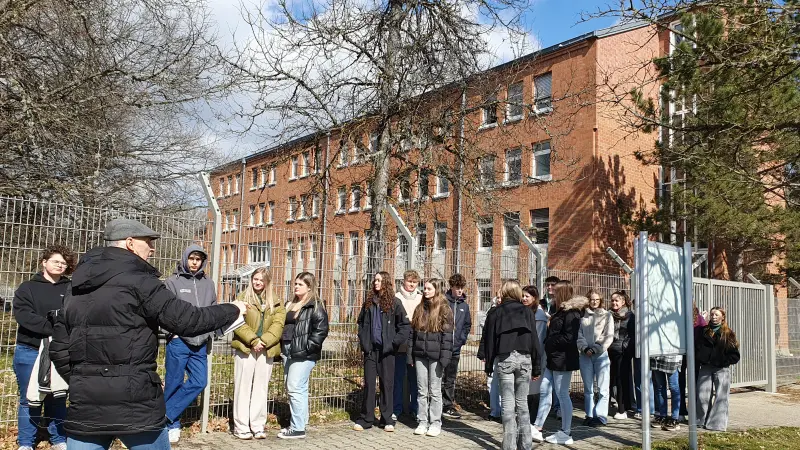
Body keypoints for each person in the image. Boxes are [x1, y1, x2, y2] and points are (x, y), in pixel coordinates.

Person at [48, 218, 247, 450]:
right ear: (130, 243)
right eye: (148, 242)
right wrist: (233, 309)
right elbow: (188, 320)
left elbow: (59, 348)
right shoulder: (142, 282)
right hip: (136, 404)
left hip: (86, 405)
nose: (152, 248)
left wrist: (82, 380)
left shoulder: (75, 286)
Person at [13, 245, 75, 450]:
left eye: (64, 263)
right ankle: (25, 442)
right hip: (30, 349)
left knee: (57, 396)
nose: (60, 265)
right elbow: (24, 316)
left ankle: (58, 439)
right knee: (30, 398)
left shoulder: (71, 289)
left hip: (60, 350)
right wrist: (53, 327)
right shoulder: (27, 288)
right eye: (56, 261)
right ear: (44, 262)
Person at [162, 244, 219, 443]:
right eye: (192, 258)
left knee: (199, 380)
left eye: (198, 259)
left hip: (200, 341)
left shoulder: (208, 283)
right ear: (185, 258)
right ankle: (172, 425)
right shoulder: (172, 282)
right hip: (178, 341)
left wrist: (210, 331)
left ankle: (164, 415)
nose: (195, 262)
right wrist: (172, 333)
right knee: (174, 383)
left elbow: (213, 309)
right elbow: (164, 310)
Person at [482, 280, 543, 450]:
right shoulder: (527, 311)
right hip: (525, 359)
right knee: (522, 404)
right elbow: (534, 341)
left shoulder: (495, 312)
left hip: (505, 359)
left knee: (508, 405)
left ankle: (509, 446)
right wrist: (537, 366)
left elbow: (489, 340)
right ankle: (526, 445)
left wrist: (488, 365)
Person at [231, 268, 286, 440]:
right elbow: (237, 322)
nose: (257, 282)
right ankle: (241, 427)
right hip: (246, 348)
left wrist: (265, 341)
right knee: (243, 387)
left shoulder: (276, 302)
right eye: (255, 279)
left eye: (261, 280)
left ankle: (257, 425)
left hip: (266, 349)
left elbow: (278, 324)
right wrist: (254, 340)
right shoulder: (242, 298)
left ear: (267, 282)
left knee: (261, 388)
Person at [354, 271, 410, 432]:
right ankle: (366, 418)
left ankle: (387, 419)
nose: (375, 282)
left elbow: (404, 326)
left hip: (387, 352)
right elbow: (361, 323)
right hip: (371, 351)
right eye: (374, 280)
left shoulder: (395, 303)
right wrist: (364, 342)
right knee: (369, 385)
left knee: (387, 385)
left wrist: (393, 344)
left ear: (385, 282)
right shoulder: (369, 302)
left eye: (378, 280)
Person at [533, 281, 587, 445]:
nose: (552, 293)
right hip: (554, 358)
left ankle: (566, 432)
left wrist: (550, 341)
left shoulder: (572, 313)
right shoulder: (561, 311)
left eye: (555, 291)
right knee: (544, 390)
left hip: (563, 360)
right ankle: (537, 427)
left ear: (562, 293)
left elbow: (569, 338)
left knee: (562, 394)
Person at [279, 272, 329, 440]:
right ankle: (302, 421)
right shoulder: (290, 304)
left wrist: (308, 348)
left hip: (303, 353)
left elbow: (321, 330)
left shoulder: (315, 305)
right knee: (296, 387)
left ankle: (297, 428)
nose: (296, 287)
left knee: (294, 387)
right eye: (295, 283)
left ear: (309, 287)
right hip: (287, 350)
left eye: (300, 284)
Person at [408, 278, 453, 437]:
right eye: (424, 288)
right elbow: (412, 335)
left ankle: (435, 422)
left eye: (428, 288)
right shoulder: (419, 309)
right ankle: (422, 421)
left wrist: (445, 358)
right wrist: (410, 355)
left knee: (435, 391)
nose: (425, 291)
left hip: (436, 357)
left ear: (436, 290)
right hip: (420, 355)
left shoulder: (445, 310)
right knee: (422, 390)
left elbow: (447, 337)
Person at [695, 306, 740, 431]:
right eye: (712, 314)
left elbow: (735, 355)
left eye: (717, 315)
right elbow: (698, 346)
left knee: (721, 396)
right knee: (702, 394)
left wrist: (724, 361)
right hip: (705, 367)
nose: (714, 317)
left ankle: (717, 424)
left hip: (721, 368)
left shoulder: (727, 333)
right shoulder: (704, 331)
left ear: (722, 317)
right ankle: (700, 420)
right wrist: (701, 358)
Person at [577, 289, 613, 427]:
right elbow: (579, 334)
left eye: (597, 299)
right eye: (592, 299)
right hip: (585, 355)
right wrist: (584, 348)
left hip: (601, 355)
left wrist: (596, 348)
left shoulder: (607, 315)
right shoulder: (583, 316)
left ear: (601, 301)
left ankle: (601, 416)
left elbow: (607, 335)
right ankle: (589, 414)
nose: (594, 302)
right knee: (588, 388)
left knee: (603, 388)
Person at [393, 269, 422, 420]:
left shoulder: (421, 298)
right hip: (401, 343)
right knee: (397, 377)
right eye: (409, 281)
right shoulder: (396, 297)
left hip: (416, 344)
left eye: (414, 282)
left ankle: (415, 409)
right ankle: (396, 409)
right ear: (403, 281)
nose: (411, 284)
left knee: (415, 379)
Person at [441, 273, 471, 420]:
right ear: (451, 287)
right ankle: (434, 404)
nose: (460, 291)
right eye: (457, 288)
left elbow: (467, 325)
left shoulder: (464, 306)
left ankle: (447, 405)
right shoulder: (443, 302)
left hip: (455, 348)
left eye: (461, 288)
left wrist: (461, 340)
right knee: (438, 376)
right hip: (442, 347)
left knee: (450, 378)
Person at [608, 290, 636, 420]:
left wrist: (625, 347)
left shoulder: (630, 316)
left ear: (623, 302)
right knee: (610, 379)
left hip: (622, 352)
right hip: (609, 349)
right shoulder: (608, 315)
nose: (614, 303)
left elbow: (631, 334)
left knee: (621, 379)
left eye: (616, 300)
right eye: (612, 300)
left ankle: (622, 408)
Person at [678, 303, 707, 422]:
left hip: (694, 355)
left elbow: (704, 334)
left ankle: (693, 410)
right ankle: (681, 410)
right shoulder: (677, 316)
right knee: (679, 382)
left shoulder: (699, 319)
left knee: (694, 382)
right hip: (680, 354)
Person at [522, 285, 547, 417]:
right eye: (523, 296)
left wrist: (535, 359)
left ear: (534, 298)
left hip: (535, 357)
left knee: (534, 389)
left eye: (527, 296)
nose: (524, 298)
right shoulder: (524, 311)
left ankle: (533, 417)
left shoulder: (539, 316)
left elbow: (538, 340)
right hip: (523, 355)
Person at [477, 297, 501, 422]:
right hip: (492, 353)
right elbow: (486, 333)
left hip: (504, 353)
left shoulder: (514, 311)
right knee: (491, 382)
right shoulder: (492, 312)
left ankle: (504, 411)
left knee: (504, 384)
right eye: (498, 297)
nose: (499, 299)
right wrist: (483, 353)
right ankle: (495, 411)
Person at [651, 353, 682, 431]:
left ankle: (675, 418)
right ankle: (662, 416)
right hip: (656, 356)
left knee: (673, 388)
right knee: (660, 387)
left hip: (672, 355)